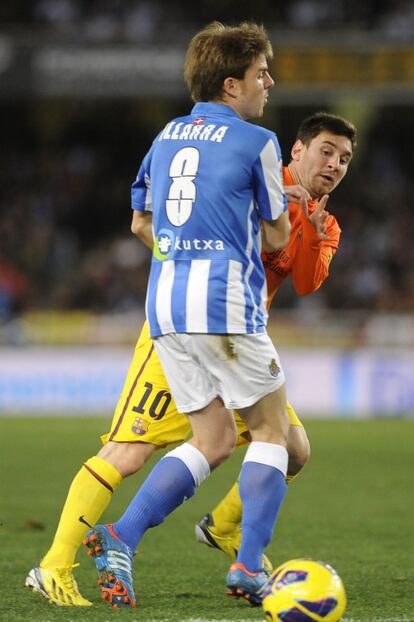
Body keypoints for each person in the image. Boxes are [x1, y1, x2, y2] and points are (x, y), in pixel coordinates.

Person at [25, 30, 356, 609]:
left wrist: (186, 248)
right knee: (135, 450)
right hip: (219, 311)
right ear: (296, 151)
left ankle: (200, 532)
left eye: (345, 159)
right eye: (325, 151)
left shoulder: (171, 137)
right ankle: (64, 563)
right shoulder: (256, 150)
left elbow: (143, 222)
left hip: (177, 307)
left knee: (271, 444)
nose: (335, 165)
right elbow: (268, 236)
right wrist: (226, 244)